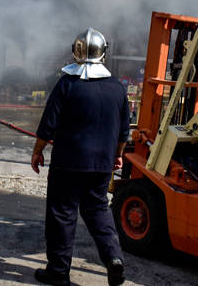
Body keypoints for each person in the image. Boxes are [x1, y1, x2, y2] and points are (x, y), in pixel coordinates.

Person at [31, 28, 129, 286]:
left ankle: (58, 272)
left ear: (75, 52)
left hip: (68, 163)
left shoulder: (67, 84)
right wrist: (117, 156)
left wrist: (37, 150)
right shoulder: (118, 88)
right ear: (103, 53)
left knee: (62, 214)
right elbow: (124, 131)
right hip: (101, 165)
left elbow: (48, 124)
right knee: (98, 210)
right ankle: (113, 259)